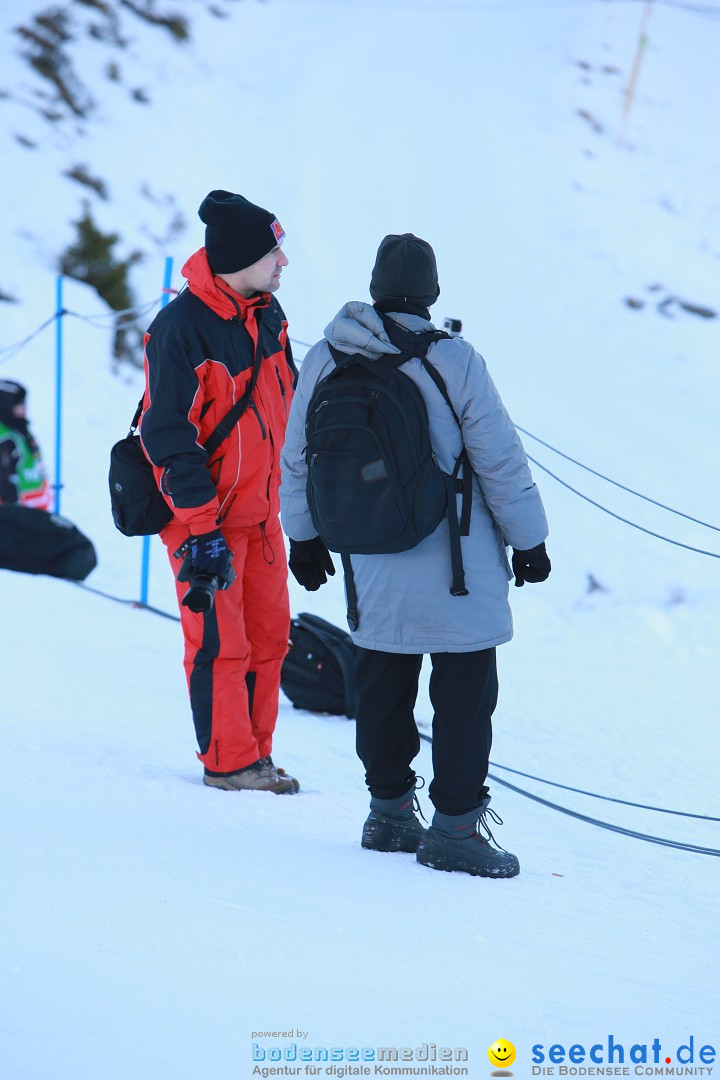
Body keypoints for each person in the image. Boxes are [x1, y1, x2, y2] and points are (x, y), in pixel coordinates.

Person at [280, 233, 550, 875]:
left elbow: (297, 458)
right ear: (431, 293)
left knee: (380, 686)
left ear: (375, 288)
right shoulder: (453, 359)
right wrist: (530, 540)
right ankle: (455, 830)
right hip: (457, 564)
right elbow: (500, 459)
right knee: (462, 696)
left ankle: (390, 815)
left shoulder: (325, 357)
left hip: (369, 558)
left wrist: (304, 536)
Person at [140, 189, 299, 795]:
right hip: (201, 519)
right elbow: (167, 436)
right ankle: (229, 763)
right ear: (240, 256)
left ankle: (256, 756)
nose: (284, 262)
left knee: (269, 639)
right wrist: (202, 529)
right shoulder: (181, 329)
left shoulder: (268, 316)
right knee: (219, 644)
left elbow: (289, 411)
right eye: (274, 251)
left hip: (261, 518)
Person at [0, 380, 52, 511]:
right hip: (15, 521)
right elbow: (5, 487)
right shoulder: (5, 441)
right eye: (19, 405)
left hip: (33, 518)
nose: (24, 410)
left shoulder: (20, 431)